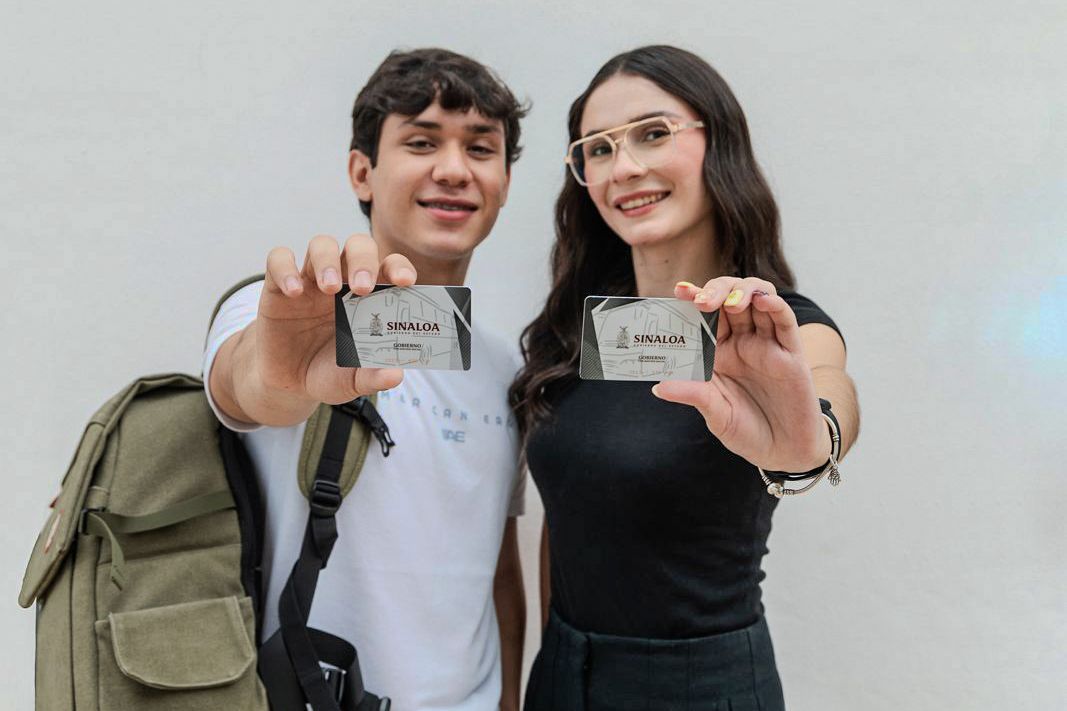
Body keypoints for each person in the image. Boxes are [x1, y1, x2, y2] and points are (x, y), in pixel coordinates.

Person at [510, 45, 860, 710]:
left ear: (718, 142)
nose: (624, 167)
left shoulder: (769, 328)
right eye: (598, 148)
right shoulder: (573, 333)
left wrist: (812, 442)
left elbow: (826, 386)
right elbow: (571, 518)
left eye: (652, 133)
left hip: (700, 686)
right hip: (559, 676)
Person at [204, 48, 530, 711]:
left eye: (480, 148)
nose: (453, 169)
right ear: (362, 172)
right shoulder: (285, 310)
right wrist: (284, 374)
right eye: (421, 141)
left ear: (503, 180)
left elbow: (495, 566)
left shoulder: (509, 370)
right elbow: (253, 387)